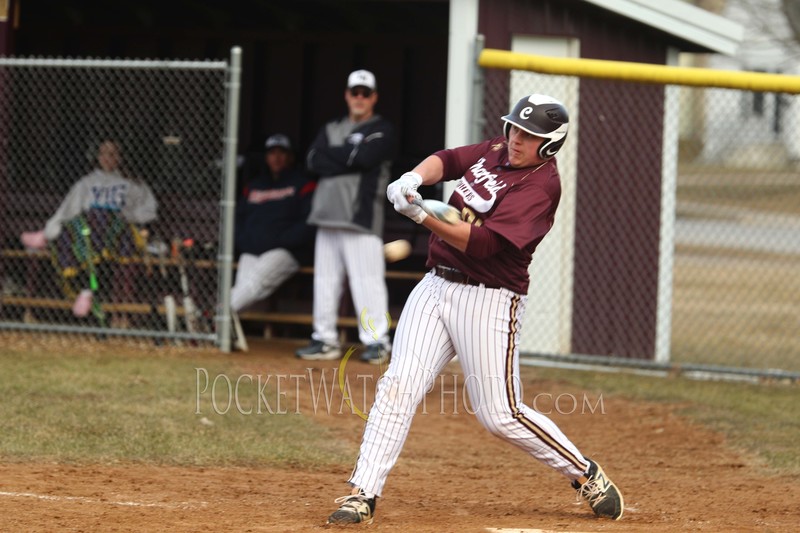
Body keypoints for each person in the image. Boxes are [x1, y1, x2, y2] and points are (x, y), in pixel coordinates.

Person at [325, 94, 624, 525]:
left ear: (550, 145)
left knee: (500, 415)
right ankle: (362, 494)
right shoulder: (497, 150)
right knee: (398, 386)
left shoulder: (541, 187)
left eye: (530, 135)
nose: (516, 139)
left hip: (489, 298)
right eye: (515, 129)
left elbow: (483, 245)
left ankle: (584, 473)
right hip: (435, 285)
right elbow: (447, 160)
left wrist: (421, 213)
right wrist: (412, 178)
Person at [295, 69, 396, 364]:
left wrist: (336, 156)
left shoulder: (382, 129)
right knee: (325, 281)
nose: (360, 98)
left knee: (367, 280)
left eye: (366, 93)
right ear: (347, 95)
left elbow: (363, 157)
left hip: (360, 216)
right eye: (355, 92)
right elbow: (313, 160)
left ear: (374, 97)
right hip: (326, 215)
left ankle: (377, 341)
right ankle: (324, 339)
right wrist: (348, 153)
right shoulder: (332, 127)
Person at [20, 140, 158, 321]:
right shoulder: (87, 183)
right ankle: (83, 286)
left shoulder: (132, 184)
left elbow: (150, 211)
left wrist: (127, 215)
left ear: (120, 158)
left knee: (100, 217)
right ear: (97, 157)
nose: (107, 158)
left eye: (112, 154)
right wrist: (55, 227)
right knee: (79, 225)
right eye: (103, 154)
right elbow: (69, 208)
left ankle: (86, 289)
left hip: (117, 232)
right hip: (89, 232)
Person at [231, 133, 316, 313]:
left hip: (285, 251)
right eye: (272, 153)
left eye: (282, 153)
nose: (276, 158)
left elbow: (308, 224)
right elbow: (238, 220)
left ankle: (215, 316)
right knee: (245, 285)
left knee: (255, 283)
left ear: (291, 156)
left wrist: (279, 240)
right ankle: (221, 324)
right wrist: (246, 242)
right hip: (252, 250)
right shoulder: (254, 186)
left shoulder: (303, 185)